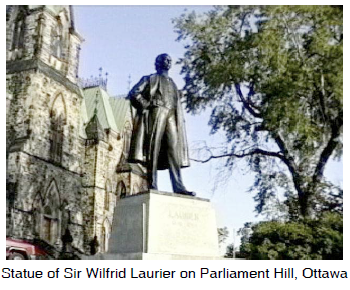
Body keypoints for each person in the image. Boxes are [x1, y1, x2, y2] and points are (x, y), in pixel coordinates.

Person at [128, 53, 194, 196]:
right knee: (153, 148)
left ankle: (178, 186)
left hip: (171, 114)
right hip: (156, 112)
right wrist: (147, 104)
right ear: (157, 63)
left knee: (173, 149)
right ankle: (152, 184)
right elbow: (134, 93)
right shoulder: (150, 79)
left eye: (170, 60)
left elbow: (177, 96)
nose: (168, 62)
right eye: (165, 59)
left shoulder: (172, 83)